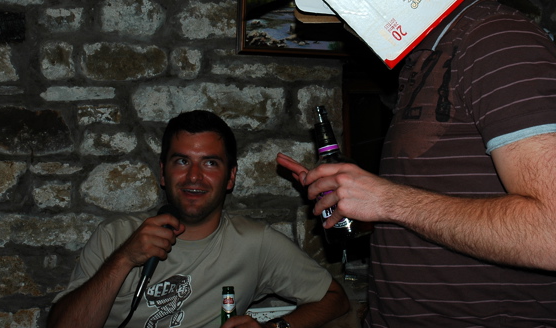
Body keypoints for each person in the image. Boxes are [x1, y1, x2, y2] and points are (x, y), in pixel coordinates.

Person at [277, 0, 556, 327]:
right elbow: (437, 206)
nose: (349, 26)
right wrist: (356, 196)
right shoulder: (427, 59)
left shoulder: (498, 39)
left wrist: (387, 200)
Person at [48, 110, 350, 328]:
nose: (194, 176)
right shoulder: (115, 235)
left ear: (230, 177)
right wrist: (124, 258)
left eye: (210, 163)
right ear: (163, 172)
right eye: (182, 161)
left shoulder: (255, 243)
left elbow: (335, 298)